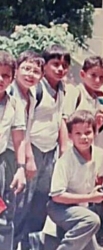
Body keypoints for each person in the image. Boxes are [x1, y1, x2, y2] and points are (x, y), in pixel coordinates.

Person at [18, 44, 70, 250]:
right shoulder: (36, 88)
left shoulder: (62, 88)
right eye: (55, 64)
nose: (60, 69)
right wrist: (29, 158)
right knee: (23, 202)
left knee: (41, 203)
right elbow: (24, 124)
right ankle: (13, 243)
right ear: (44, 65)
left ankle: (30, 244)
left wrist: (64, 149)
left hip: (50, 152)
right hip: (33, 149)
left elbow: (60, 120)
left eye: (64, 65)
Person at [47, 110, 103, 250]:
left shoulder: (100, 154)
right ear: (70, 136)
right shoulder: (65, 161)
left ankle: (49, 241)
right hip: (60, 208)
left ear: (95, 132)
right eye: (78, 134)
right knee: (91, 220)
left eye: (88, 132)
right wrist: (89, 197)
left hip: (82, 208)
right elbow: (57, 196)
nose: (83, 137)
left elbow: (99, 179)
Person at [6, 50, 45, 249]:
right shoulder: (10, 93)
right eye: (26, 68)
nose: (30, 74)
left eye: (36, 71)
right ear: (16, 71)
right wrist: (28, 159)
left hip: (18, 153)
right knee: (10, 205)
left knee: (19, 204)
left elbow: (26, 130)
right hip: (8, 153)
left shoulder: (32, 94)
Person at [0, 51, 26, 250]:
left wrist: (21, 169)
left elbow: (19, 139)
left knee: (3, 216)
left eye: (6, 75)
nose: (1, 79)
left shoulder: (14, 104)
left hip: (2, 165)